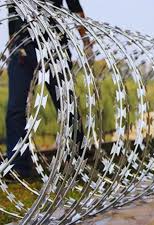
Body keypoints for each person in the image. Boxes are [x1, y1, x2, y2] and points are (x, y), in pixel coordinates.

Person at [6, 0, 90, 178]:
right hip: (23, 46)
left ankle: (77, 159)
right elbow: (12, 14)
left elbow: (75, 7)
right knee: (16, 108)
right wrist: (12, 45)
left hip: (54, 43)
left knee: (66, 104)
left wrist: (86, 42)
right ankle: (18, 166)